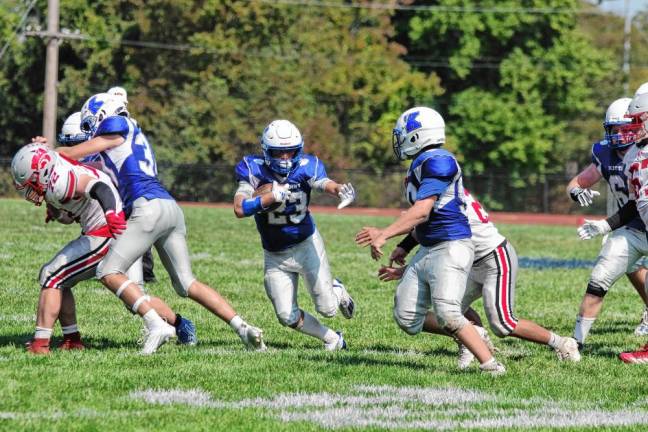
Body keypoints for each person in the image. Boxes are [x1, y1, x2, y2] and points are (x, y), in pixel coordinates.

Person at [57, 92, 265, 353]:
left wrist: (48, 154)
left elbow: (76, 153)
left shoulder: (119, 126)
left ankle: (158, 326)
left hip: (147, 208)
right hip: (169, 208)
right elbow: (89, 162)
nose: (91, 132)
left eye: (92, 125)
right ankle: (243, 327)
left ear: (102, 116)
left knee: (108, 271)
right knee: (186, 284)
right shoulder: (128, 137)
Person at [355, 106, 506, 375]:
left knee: (448, 313)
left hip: (451, 245)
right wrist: (402, 244)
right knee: (406, 316)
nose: (399, 139)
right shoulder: (421, 163)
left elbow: (423, 210)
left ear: (417, 136)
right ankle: (474, 331)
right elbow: (420, 215)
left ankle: (491, 366)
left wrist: (385, 234)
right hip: (429, 248)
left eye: (403, 134)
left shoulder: (439, 160)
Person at [10, 141, 196, 354]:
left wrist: (110, 214)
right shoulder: (55, 168)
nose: (29, 192)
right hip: (116, 227)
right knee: (131, 294)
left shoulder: (60, 181)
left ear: (42, 173)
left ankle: (40, 344)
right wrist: (56, 211)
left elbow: (99, 187)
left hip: (108, 231)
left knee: (52, 275)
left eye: (31, 184)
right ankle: (181, 325)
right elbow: (71, 210)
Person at [379, 189, 581, 367]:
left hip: (493, 258)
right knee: (448, 310)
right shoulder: (446, 192)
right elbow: (430, 236)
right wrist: (404, 250)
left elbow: (424, 223)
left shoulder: (445, 197)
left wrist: (389, 239)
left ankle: (562, 343)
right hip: (467, 259)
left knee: (503, 324)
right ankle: (471, 342)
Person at [233, 119, 356, 350]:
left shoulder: (308, 165)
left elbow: (323, 183)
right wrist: (267, 199)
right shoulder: (253, 168)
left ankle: (336, 289)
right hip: (275, 254)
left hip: (306, 245)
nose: (286, 158)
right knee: (286, 315)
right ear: (267, 151)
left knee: (328, 309)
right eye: (279, 153)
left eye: (290, 152)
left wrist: (339, 190)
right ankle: (333, 339)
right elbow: (240, 208)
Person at [565, 97, 648, 345]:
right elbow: (576, 183)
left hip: (633, 218)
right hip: (632, 224)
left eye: (625, 128)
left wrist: (605, 225)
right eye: (614, 129)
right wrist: (576, 192)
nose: (619, 135)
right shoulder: (607, 154)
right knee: (607, 269)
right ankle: (575, 343)